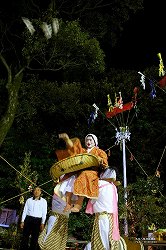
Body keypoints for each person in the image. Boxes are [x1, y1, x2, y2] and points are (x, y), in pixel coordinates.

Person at [57, 133, 108, 213]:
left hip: (92, 172)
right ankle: (68, 203)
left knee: (84, 175)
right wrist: (67, 139)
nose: (88, 141)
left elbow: (104, 163)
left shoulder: (99, 151)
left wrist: (98, 159)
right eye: (87, 140)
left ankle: (78, 204)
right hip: (80, 171)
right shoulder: (83, 151)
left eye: (90, 140)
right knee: (70, 178)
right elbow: (74, 149)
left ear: (95, 142)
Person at [84, 167, 120, 250]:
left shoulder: (99, 184)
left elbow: (92, 200)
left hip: (102, 217)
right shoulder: (113, 187)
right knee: (109, 240)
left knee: (101, 241)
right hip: (111, 218)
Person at [38, 185, 74, 250]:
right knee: (48, 240)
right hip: (57, 213)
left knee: (58, 241)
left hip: (64, 215)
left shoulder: (72, 181)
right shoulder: (65, 182)